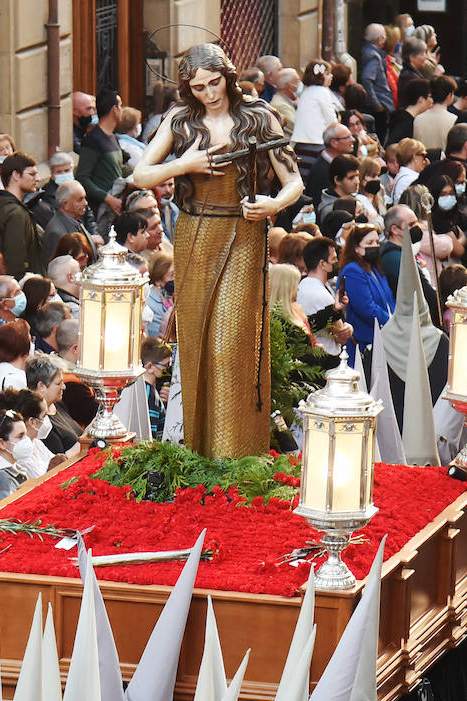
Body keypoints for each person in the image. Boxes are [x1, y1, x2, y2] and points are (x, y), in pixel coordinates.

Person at [132, 44, 301, 459]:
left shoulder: (259, 117)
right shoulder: (181, 119)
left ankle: (236, 451)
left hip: (244, 232)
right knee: (196, 344)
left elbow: (293, 180)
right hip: (193, 233)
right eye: (198, 87)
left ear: (227, 76)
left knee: (231, 342)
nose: (209, 93)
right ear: (188, 89)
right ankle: (202, 449)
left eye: (214, 82)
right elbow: (140, 175)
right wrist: (182, 165)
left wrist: (274, 205)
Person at [339, 223, 397, 371]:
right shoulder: (352, 270)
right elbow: (366, 307)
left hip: (385, 338)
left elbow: (389, 300)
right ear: (356, 248)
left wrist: (397, 319)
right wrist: (391, 323)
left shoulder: (374, 269)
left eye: (377, 242)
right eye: (369, 243)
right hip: (365, 341)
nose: (375, 246)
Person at [0, 153, 46, 278]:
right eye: (32, 174)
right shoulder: (15, 213)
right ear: (16, 175)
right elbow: (15, 261)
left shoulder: (1, 206)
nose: (38, 179)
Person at [78, 90, 126, 218]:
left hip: (115, 205)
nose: (122, 110)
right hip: (100, 211)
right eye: (120, 106)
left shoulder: (113, 137)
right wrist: (108, 199)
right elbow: (82, 177)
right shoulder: (93, 139)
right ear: (114, 109)